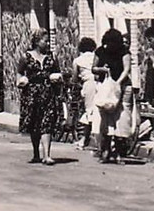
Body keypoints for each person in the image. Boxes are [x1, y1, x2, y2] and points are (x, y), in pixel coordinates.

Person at [17, 30, 65, 164]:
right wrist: (21, 81)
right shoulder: (26, 57)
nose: (48, 43)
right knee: (35, 124)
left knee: (47, 122)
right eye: (45, 40)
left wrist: (57, 79)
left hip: (48, 93)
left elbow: (57, 72)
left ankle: (47, 155)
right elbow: (19, 73)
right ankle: (36, 153)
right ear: (37, 42)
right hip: (31, 94)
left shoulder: (51, 57)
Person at [93, 28, 132, 163]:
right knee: (105, 118)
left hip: (123, 86)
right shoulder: (100, 51)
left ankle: (120, 152)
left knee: (121, 118)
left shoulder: (124, 52)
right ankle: (106, 150)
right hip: (105, 87)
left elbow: (126, 69)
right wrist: (101, 70)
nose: (109, 46)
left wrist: (118, 83)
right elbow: (94, 68)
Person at [71, 37, 97, 150]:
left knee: (89, 110)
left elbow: (75, 77)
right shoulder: (96, 57)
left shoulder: (78, 60)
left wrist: (75, 82)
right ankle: (84, 139)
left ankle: (85, 139)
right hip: (101, 83)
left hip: (88, 85)